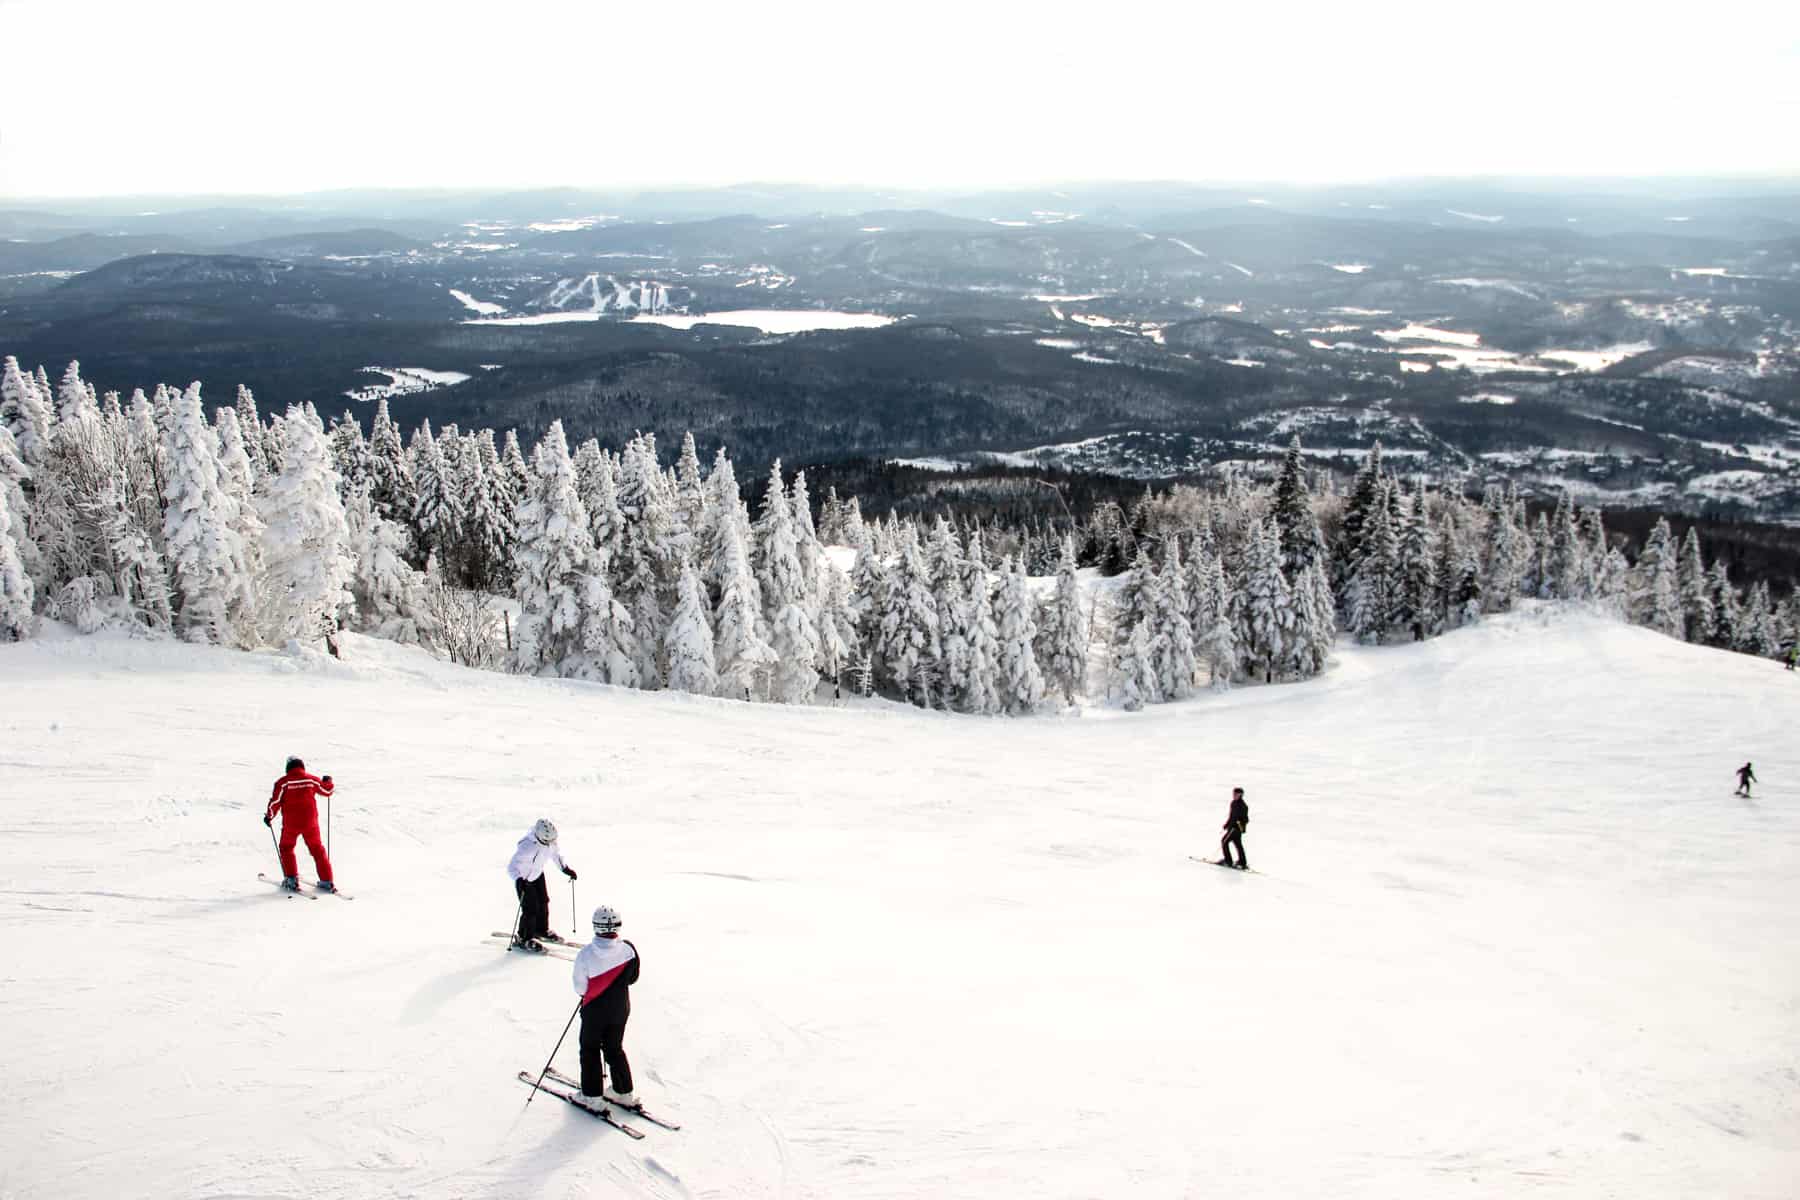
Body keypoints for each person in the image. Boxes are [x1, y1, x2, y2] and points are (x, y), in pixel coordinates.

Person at [570, 905, 641, 1111]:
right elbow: (633, 978)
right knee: (614, 1048)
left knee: (590, 1048)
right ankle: (623, 1092)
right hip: (620, 1008)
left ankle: (592, 1096)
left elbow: (580, 986)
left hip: (594, 1010)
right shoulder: (628, 950)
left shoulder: (586, 954)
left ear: (595, 927)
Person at [264, 756, 335, 891]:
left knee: (286, 847)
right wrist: (328, 781)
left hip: (291, 824)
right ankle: (327, 880)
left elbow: (275, 802)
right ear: (302, 767)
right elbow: (327, 791)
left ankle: (291, 879)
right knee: (317, 849)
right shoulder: (311, 779)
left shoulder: (283, 783)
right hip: (310, 822)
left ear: (288, 768)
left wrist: (269, 816)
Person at [509, 818, 577, 949]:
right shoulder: (527, 846)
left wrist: (565, 869)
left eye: (552, 840)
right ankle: (524, 938)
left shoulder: (549, 842)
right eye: (548, 841)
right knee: (530, 909)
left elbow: (556, 855)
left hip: (537, 874)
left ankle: (541, 930)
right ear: (539, 836)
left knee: (543, 902)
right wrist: (519, 879)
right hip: (524, 878)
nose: (550, 843)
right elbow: (511, 867)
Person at [1218, 786, 1249, 870]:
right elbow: (1231, 816)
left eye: (1236, 794)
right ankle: (1242, 862)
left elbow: (1246, 819)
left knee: (1224, 841)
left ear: (1241, 795)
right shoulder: (1233, 803)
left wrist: (1239, 825)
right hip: (1231, 828)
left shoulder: (1243, 806)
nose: (1234, 795)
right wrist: (1226, 824)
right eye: (1233, 793)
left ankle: (1228, 861)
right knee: (1238, 844)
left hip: (1236, 829)